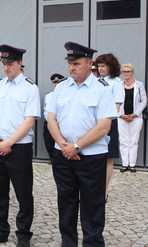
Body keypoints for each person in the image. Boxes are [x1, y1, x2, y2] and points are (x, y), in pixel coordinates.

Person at [47, 42, 117, 246]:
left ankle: (93, 243)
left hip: (91, 157)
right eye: (69, 63)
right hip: (63, 155)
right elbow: (51, 119)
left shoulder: (101, 89)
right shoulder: (61, 88)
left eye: (76, 63)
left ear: (90, 63)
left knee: (92, 205)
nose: (71, 68)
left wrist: (76, 146)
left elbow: (104, 126)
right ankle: (68, 243)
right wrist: (63, 144)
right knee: (66, 203)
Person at [0, 45, 40, 247]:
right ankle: (0, 232)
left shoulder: (30, 88)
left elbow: (29, 120)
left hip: (19, 148)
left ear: (19, 63)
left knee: (23, 193)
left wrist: (9, 142)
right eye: (4, 64)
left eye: (10, 64)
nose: (6, 68)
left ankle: (23, 235)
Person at [95, 53, 123, 198]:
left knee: (108, 157)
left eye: (103, 66)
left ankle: (104, 190)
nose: (100, 69)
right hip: (95, 123)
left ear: (110, 67)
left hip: (109, 122)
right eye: (99, 66)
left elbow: (116, 105)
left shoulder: (116, 83)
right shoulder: (95, 81)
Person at [118, 63, 147, 173]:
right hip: (122, 118)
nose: (126, 73)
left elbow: (143, 100)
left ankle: (133, 164)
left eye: (128, 71)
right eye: (124, 71)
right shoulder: (118, 86)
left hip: (136, 118)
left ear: (132, 73)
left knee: (134, 141)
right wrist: (121, 114)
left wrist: (135, 113)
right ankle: (125, 164)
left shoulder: (139, 85)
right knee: (124, 141)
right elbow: (114, 101)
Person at [43, 73, 66, 161]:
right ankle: (52, 159)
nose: (56, 85)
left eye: (58, 83)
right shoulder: (48, 95)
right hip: (48, 123)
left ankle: (60, 160)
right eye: (54, 83)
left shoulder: (65, 95)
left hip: (59, 124)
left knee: (60, 142)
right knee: (49, 142)